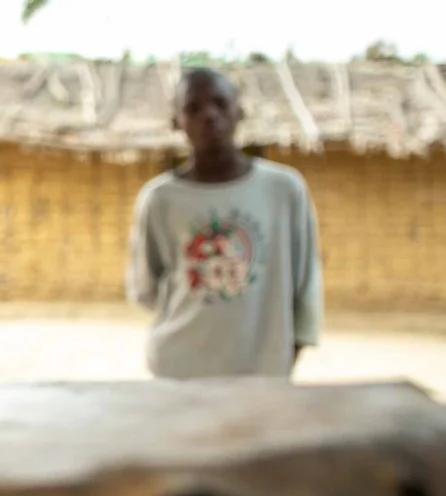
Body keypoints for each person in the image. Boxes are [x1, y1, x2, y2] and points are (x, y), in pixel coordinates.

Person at [126, 67, 324, 378]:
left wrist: (287, 352)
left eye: (220, 103)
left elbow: (306, 282)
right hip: (180, 369)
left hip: (261, 370)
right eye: (193, 108)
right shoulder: (160, 200)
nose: (208, 115)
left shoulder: (283, 190)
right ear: (176, 121)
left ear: (239, 111)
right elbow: (146, 288)